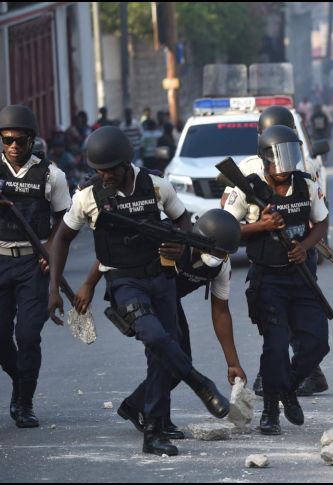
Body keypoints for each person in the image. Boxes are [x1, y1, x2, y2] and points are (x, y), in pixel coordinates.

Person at [47, 126, 231, 456]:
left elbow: (183, 223)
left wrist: (177, 246)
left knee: (161, 355)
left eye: (110, 169)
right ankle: (200, 383)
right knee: (155, 336)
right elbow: (62, 238)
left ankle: (154, 432)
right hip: (123, 282)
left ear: (125, 163)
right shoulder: (87, 197)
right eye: (98, 170)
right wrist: (55, 288)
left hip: (160, 278)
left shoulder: (157, 187)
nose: (104, 176)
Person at [72, 209, 247, 440]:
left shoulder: (220, 266)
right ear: (201, 238)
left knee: (178, 359)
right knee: (170, 354)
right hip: (138, 292)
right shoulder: (169, 241)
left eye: (224, 253)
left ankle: (138, 407)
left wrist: (232, 363)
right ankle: (155, 417)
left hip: (168, 300)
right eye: (215, 250)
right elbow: (114, 253)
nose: (219, 256)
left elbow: (221, 311)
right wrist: (89, 284)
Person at [224, 125, 330, 435]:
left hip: (302, 276)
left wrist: (305, 247)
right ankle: (270, 410)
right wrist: (260, 225)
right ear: (266, 160)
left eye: (289, 160)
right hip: (268, 278)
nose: (284, 168)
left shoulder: (306, 184)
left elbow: (322, 222)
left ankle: (288, 389)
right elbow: (226, 230)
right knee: (276, 346)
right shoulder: (248, 188)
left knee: (316, 344)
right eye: (278, 162)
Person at [0, 105, 71, 428]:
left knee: (28, 336)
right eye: (6, 139)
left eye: (20, 140)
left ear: (32, 140)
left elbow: (63, 221)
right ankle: (21, 380)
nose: (13, 146)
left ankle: (25, 402)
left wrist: (50, 253)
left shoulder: (51, 175)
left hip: (33, 262)